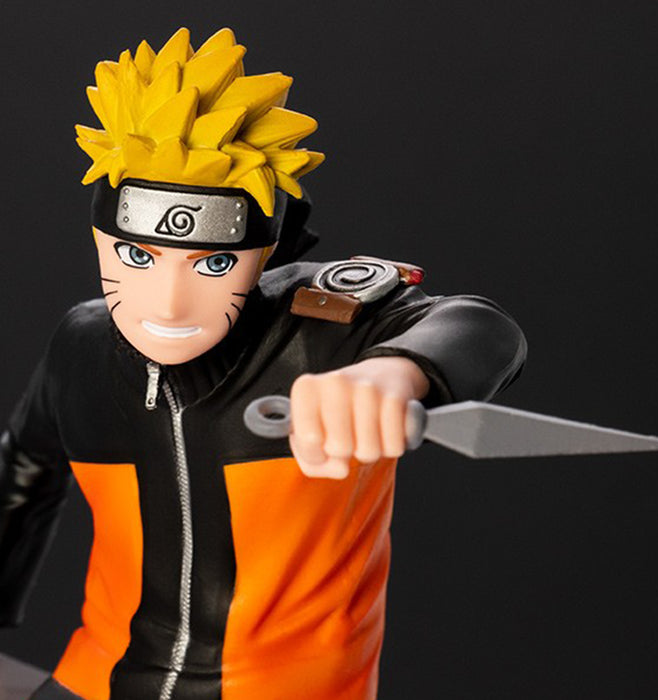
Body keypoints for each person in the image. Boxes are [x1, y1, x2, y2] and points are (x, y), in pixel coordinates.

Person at [0, 28, 527, 700]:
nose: (168, 301)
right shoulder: (82, 344)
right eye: (137, 256)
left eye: (215, 263)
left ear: (266, 254)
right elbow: (23, 469)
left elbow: (482, 327)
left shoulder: (322, 330)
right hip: (99, 677)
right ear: (101, 240)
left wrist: (392, 372)